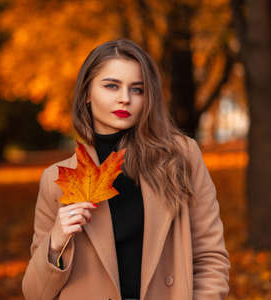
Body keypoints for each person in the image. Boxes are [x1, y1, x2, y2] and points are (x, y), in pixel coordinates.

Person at [21, 38, 230, 300]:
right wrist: (56, 242)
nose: (125, 99)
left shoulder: (180, 157)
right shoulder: (57, 179)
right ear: (87, 93)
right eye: (111, 86)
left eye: (137, 89)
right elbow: (34, 293)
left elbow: (210, 257)